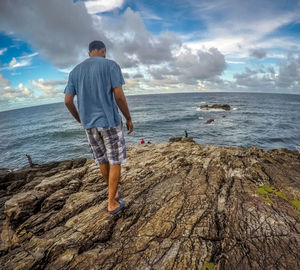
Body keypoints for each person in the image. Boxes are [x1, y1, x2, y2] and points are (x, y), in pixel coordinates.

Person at [64, 40, 133, 215]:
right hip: (109, 121)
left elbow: (67, 100)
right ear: (103, 50)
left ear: (89, 53)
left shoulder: (75, 72)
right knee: (115, 160)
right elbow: (119, 97)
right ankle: (111, 203)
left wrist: (80, 119)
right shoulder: (110, 65)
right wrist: (128, 118)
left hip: (89, 125)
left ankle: (114, 192)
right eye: (104, 52)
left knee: (102, 159)